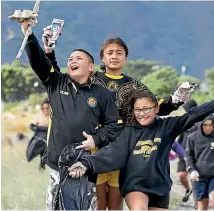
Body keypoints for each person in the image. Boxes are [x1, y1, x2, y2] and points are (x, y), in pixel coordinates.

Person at [43, 28, 195, 210]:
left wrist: (175, 100)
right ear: (101, 59)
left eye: (119, 53)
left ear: (126, 58)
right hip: (95, 149)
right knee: (96, 200)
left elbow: (153, 106)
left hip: (124, 147)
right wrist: (49, 50)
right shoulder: (90, 80)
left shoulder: (134, 85)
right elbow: (57, 78)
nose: (114, 56)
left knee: (116, 201)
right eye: (110, 53)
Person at [20, 17, 123, 210]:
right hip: (56, 163)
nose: (73, 61)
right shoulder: (56, 83)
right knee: (55, 207)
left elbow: (114, 126)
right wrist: (29, 33)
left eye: (79, 58)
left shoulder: (103, 94)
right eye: (70, 59)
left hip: (85, 163)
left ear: (91, 67)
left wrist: (96, 140)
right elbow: (38, 61)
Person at [68, 90, 214, 210]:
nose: (141, 113)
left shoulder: (168, 126)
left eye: (146, 109)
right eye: (137, 109)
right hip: (135, 184)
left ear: (157, 108)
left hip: (160, 186)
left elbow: (193, 115)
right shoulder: (128, 132)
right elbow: (112, 153)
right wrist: (85, 164)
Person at [185, 114, 214, 210]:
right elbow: (188, 156)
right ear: (201, 125)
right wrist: (191, 170)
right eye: (205, 125)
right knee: (202, 206)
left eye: (210, 125)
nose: (208, 127)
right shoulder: (192, 138)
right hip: (199, 176)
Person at [27, 99, 50, 169]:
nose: (45, 110)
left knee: (45, 157)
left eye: (47, 108)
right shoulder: (38, 115)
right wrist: (36, 127)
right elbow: (31, 126)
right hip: (39, 138)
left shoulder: (53, 116)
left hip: (49, 139)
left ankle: (43, 165)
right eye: (43, 108)